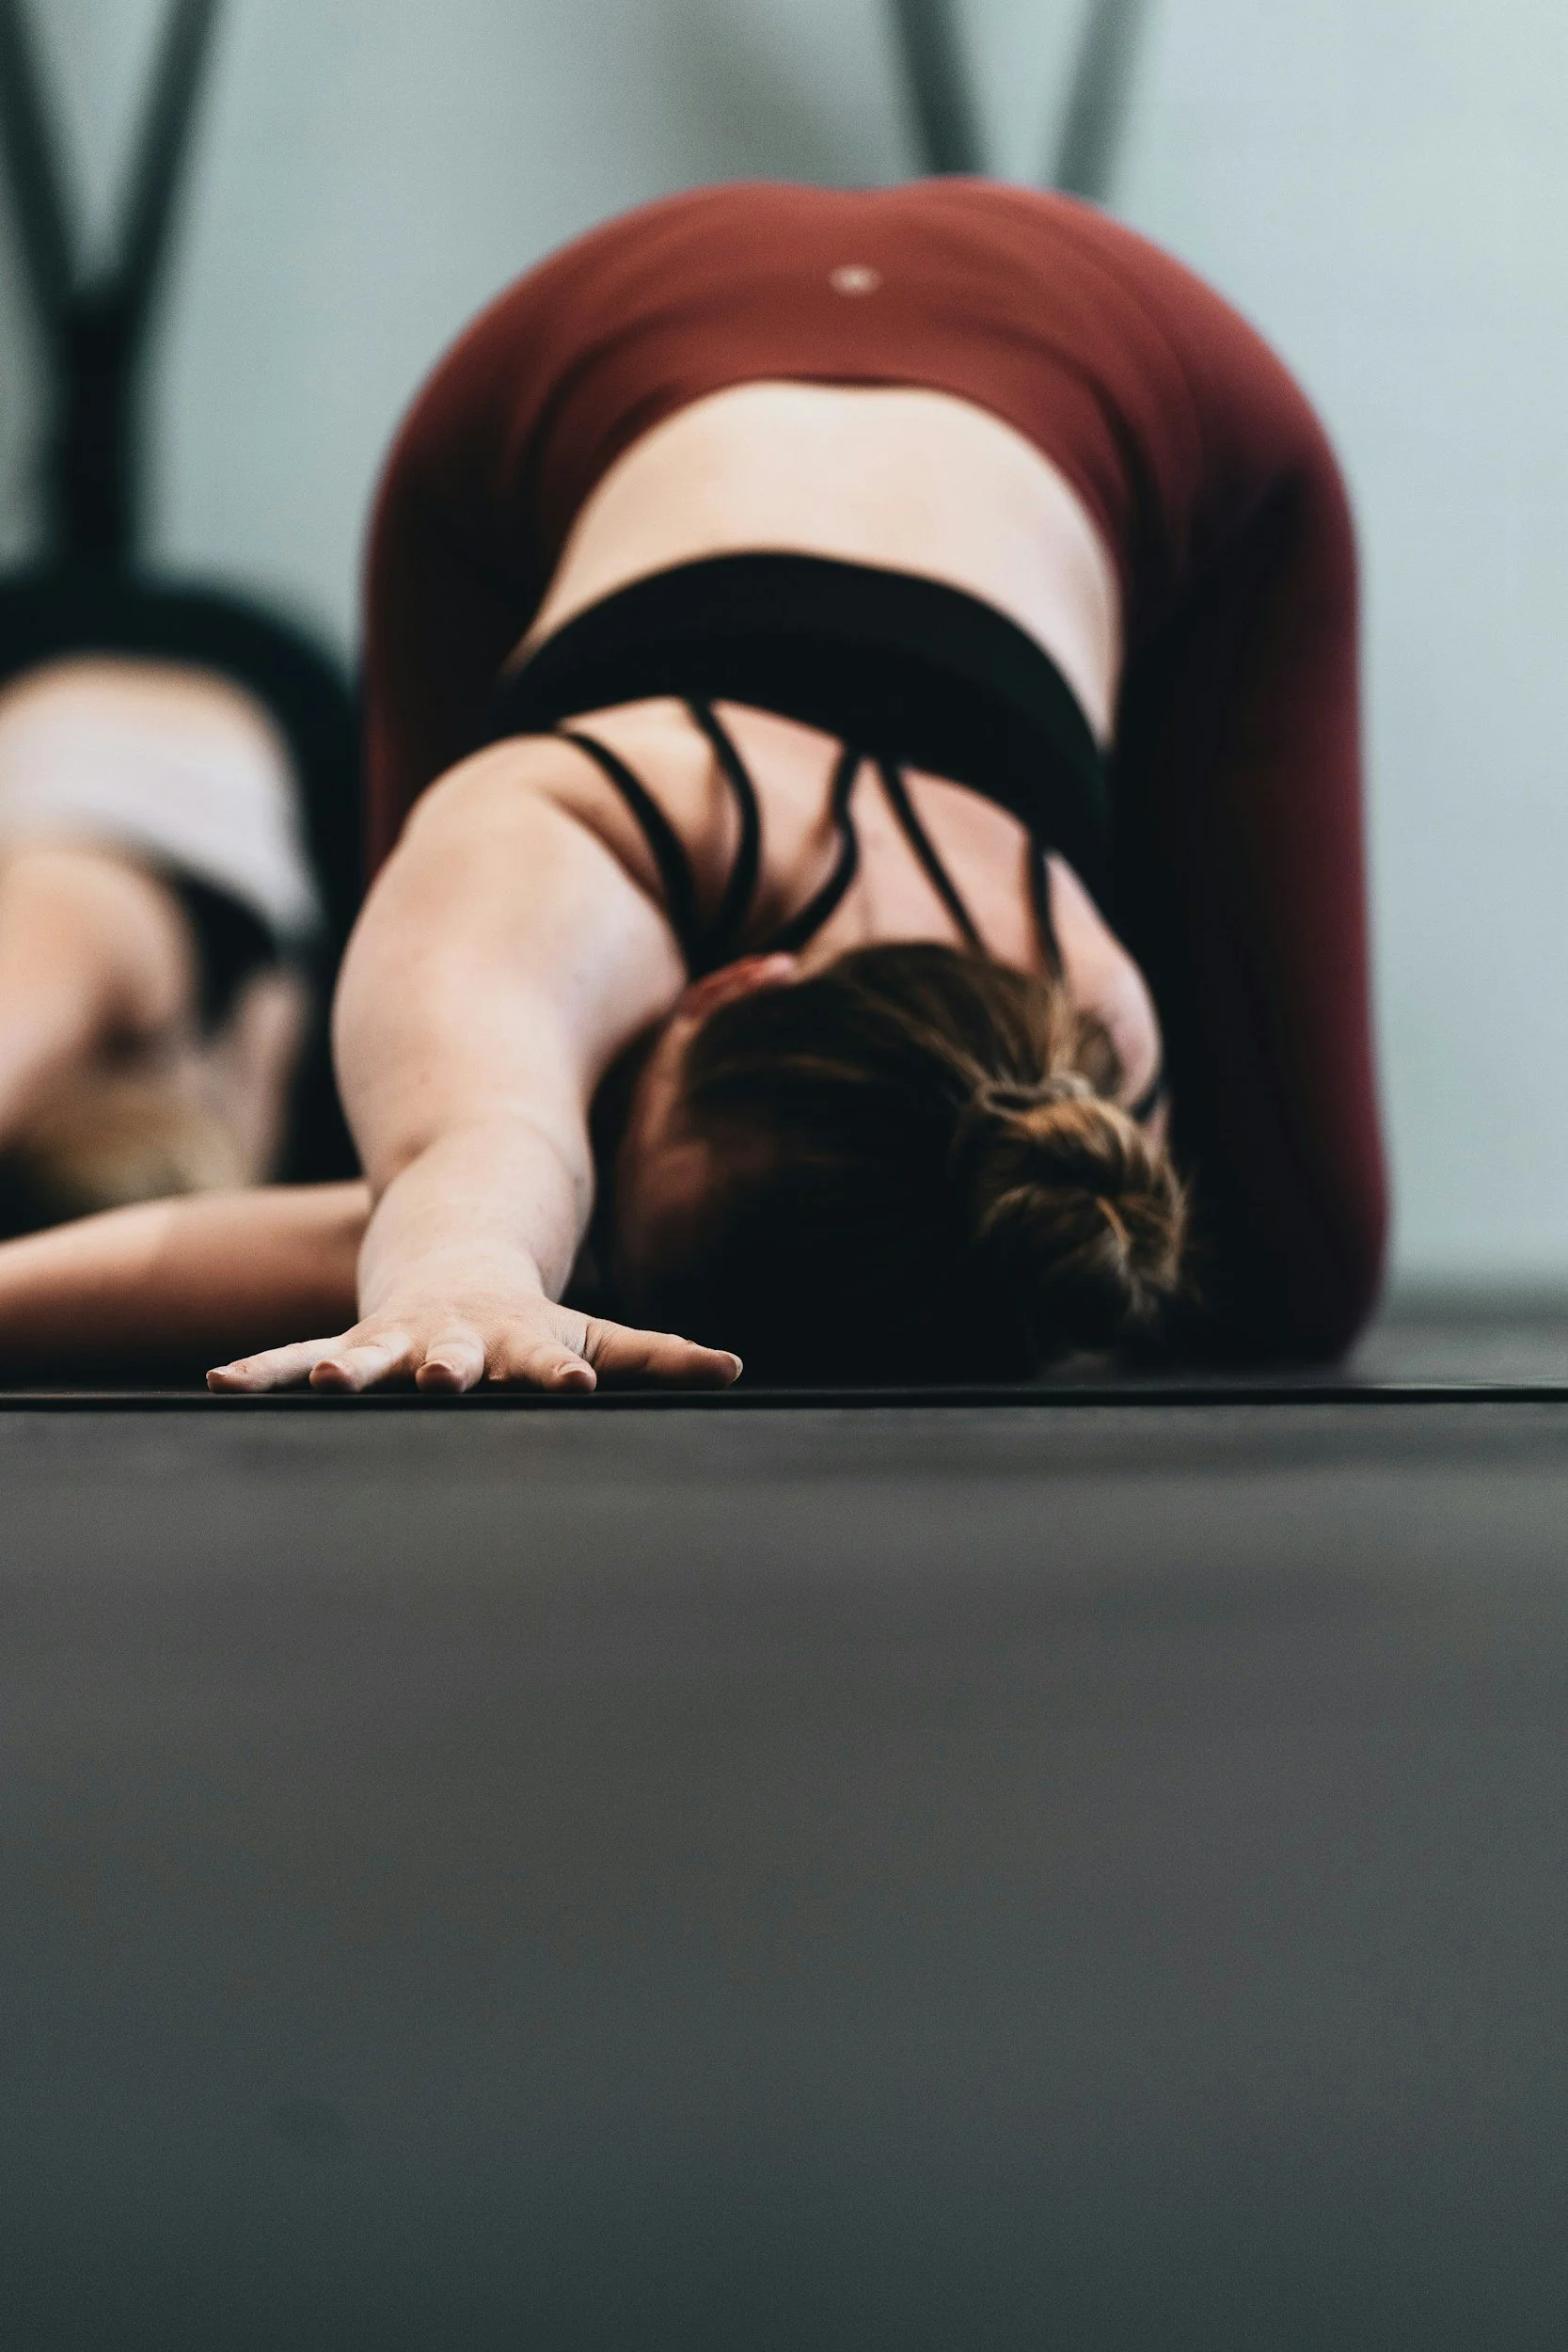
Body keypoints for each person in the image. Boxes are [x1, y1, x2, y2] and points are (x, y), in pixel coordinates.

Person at [0, 179, 1386, 1391]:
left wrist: (492, 1285)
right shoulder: (559, 821)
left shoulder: (1063, 1074)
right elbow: (468, 1165)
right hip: (611, 357)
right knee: (1289, 1270)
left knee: (1271, 1290)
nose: (584, 1199)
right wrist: (469, 1274)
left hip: (1034, 413)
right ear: (732, 984)